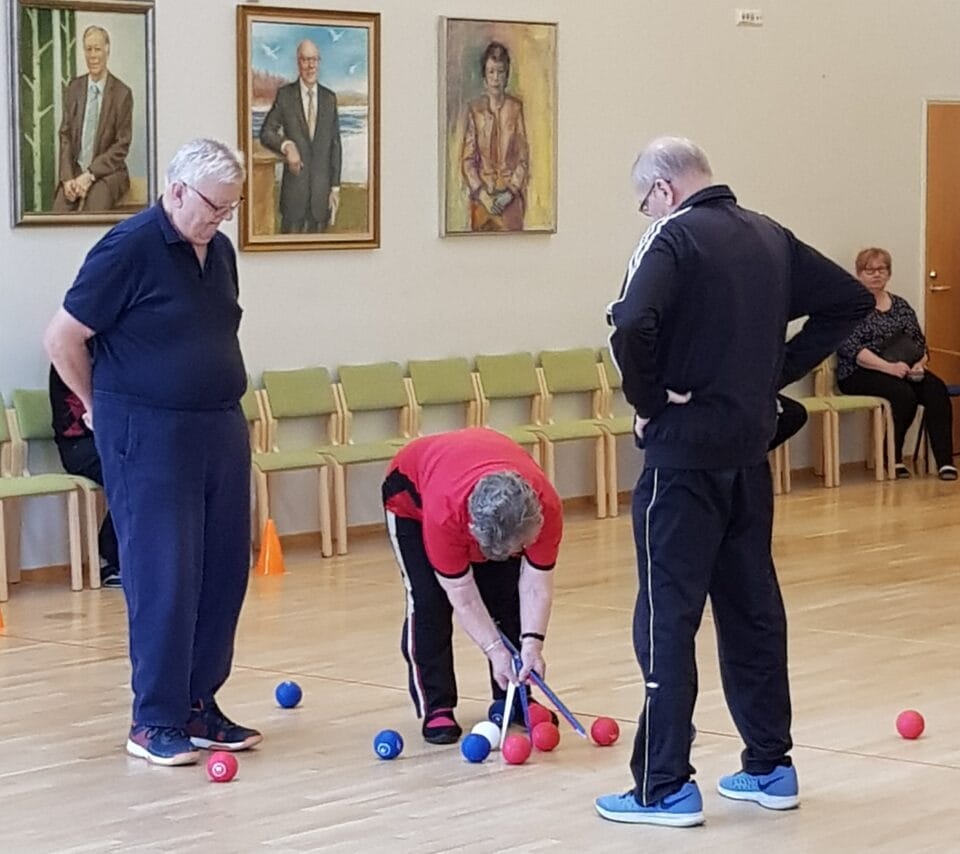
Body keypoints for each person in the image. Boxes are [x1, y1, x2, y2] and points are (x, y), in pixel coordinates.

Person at [594, 137, 874, 828]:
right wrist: (770, 374)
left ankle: (663, 786)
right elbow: (848, 301)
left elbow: (629, 324)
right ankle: (770, 766)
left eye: (643, 201)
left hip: (682, 462)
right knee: (752, 610)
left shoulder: (672, 237)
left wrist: (649, 402)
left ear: (663, 190)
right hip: (749, 454)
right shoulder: (768, 234)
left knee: (667, 619)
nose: (645, 212)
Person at [43, 138, 261, 767]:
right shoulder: (128, 247)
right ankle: (154, 718)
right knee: (165, 574)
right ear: (176, 190)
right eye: (214, 207)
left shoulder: (219, 251)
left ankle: (198, 704)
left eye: (230, 208)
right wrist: (98, 405)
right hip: (149, 433)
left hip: (218, 425)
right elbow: (62, 338)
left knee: (223, 570)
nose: (221, 219)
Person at [382, 428, 562, 744]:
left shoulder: (545, 507)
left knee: (505, 596)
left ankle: (514, 697)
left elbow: (536, 584)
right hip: (412, 500)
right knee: (429, 601)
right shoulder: (445, 515)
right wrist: (494, 650)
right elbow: (462, 596)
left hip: (479, 489)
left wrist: (533, 644)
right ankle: (437, 705)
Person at [837, 248, 957, 481]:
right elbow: (851, 348)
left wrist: (919, 363)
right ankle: (893, 457)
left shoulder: (901, 305)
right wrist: (888, 367)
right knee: (903, 395)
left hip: (904, 368)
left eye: (881, 269)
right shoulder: (850, 306)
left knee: (936, 389)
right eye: (869, 270)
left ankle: (945, 461)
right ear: (859, 274)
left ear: (889, 273)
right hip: (860, 372)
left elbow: (919, 342)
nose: (876, 274)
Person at [259, 39, 342, 233]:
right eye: (305, 60)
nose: (310, 65)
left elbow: (335, 145)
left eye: (314, 60)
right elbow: (267, 132)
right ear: (298, 62)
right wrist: (287, 145)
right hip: (294, 199)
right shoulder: (285, 96)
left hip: (321, 200)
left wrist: (335, 188)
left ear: (319, 62)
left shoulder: (329, 99)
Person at [49, 364, 121, 588]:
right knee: (134, 477)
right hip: (78, 445)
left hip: (108, 443)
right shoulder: (72, 360)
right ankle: (112, 556)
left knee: (152, 472)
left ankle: (120, 554)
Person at [52, 25, 133, 213]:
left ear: (107, 50)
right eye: (88, 49)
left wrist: (90, 174)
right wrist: (67, 177)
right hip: (76, 172)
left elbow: (121, 146)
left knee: (93, 208)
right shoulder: (74, 88)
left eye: (97, 49)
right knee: (58, 213)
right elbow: (65, 135)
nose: (93, 56)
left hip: (108, 174)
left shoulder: (122, 94)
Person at [461, 41, 529, 232]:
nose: (496, 78)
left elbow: (523, 160)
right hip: (483, 200)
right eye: (491, 72)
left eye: (500, 72)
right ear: (484, 77)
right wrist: (482, 195)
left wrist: (511, 192)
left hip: (510, 200)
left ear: (507, 76)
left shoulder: (515, 109)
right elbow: (467, 161)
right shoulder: (475, 110)